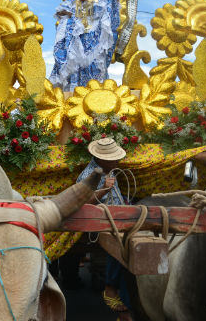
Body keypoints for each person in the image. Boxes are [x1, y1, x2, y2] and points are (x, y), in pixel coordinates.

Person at [77, 138, 131, 321]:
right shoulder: (89, 175)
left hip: (117, 217)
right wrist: (104, 190)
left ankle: (125, 299)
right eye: (114, 159)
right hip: (100, 221)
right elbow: (82, 201)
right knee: (121, 245)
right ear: (101, 159)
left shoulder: (110, 170)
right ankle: (110, 288)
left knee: (131, 245)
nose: (117, 162)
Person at [49, 0, 121, 91]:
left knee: (95, 65)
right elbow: (59, 11)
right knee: (75, 66)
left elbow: (111, 1)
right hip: (77, 39)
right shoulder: (73, 0)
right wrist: (69, 14)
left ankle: (95, 93)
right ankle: (75, 93)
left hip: (94, 38)